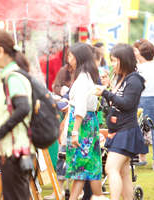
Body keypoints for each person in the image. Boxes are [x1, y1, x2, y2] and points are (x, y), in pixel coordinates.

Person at [0, 30, 34, 200]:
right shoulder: (9, 76)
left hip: (14, 152)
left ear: (0, 51)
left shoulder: (13, 78)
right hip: (14, 150)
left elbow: (22, 108)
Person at [95, 43, 147, 200]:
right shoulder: (122, 78)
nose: (113, 64)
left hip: (126, 130)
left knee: (111, 169)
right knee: (123, 173)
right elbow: (118, 100)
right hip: (119, 130)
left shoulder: (134, 80)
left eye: (115, 60)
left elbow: (127, 104)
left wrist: (106, 93)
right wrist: (109, 88)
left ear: (125, 60)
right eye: (111, 60)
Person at [65, 42, 102, 200]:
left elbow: (80, 109)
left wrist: (74, 133)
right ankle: (98, 197)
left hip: (82, 126)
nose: (68, 59)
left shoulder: (82, 78)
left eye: (70, 55)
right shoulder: (87, 76)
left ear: (78, 57)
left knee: (82, 167)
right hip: (89, 123)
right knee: (91, 167)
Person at [133, 41, 154, 171]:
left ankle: (138, 159)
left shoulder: (137, 68)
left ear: (141, 53)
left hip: (140, 101)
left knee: (137, 131)